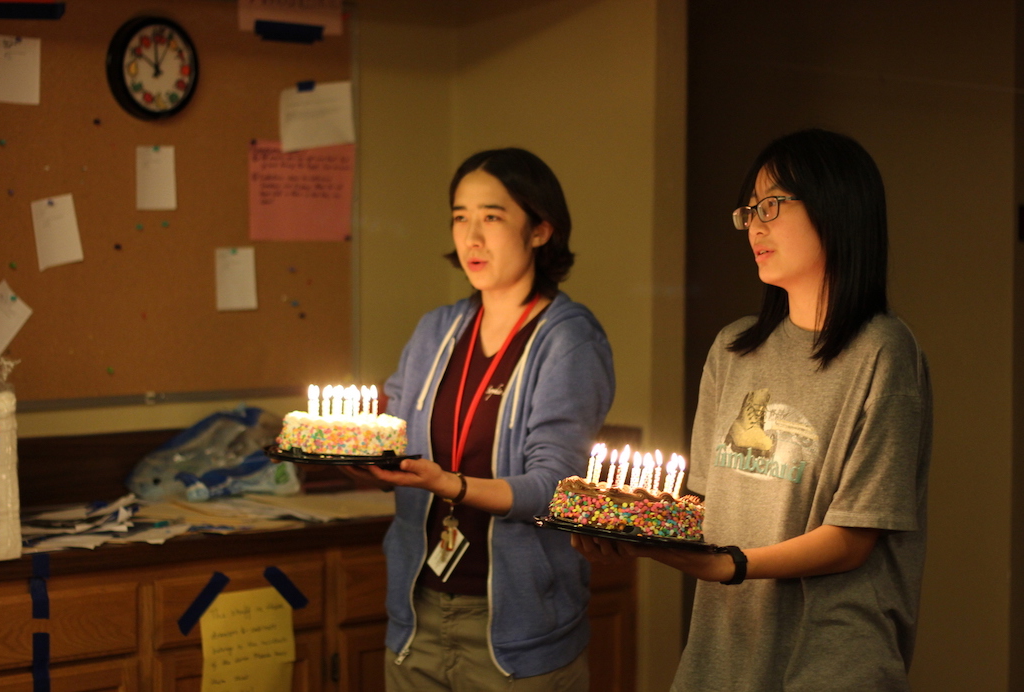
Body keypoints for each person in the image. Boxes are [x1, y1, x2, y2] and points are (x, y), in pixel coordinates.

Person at [573, 128, 932, 691]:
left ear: (838, 207)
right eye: (749, 210)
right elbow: (703, 505)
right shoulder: (734, 348)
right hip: (722, 653)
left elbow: (854, 537)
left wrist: (732, 564)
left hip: (829, 661)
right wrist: (627, 525)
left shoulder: (882, 351)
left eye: (772, 205)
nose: (755, 226)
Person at [360, 147, 615, 691]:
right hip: (417, 618)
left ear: (541, 230)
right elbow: (388, 438)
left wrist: (450, 484)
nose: (471, 237)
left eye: (492, 217)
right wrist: (352, 458)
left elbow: (556, 489)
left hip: (520, 634)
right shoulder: (437, 330)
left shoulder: (568, 339)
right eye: (460, 217)